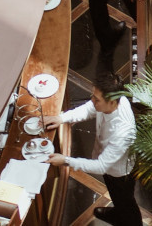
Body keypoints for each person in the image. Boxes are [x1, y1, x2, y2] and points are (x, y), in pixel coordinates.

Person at [45, 74, 141, 225]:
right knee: (118, 198)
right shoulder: (114, 100)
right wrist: (61, 118)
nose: (92, 101)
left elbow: (101, 166)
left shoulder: (123, 132)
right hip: (109, 164)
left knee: (126, 202)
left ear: (111, 102)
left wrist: (65, 160)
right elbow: (89, 109)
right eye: (93, 96)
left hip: (120, 173)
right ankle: (118, 213)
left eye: (97, 99)